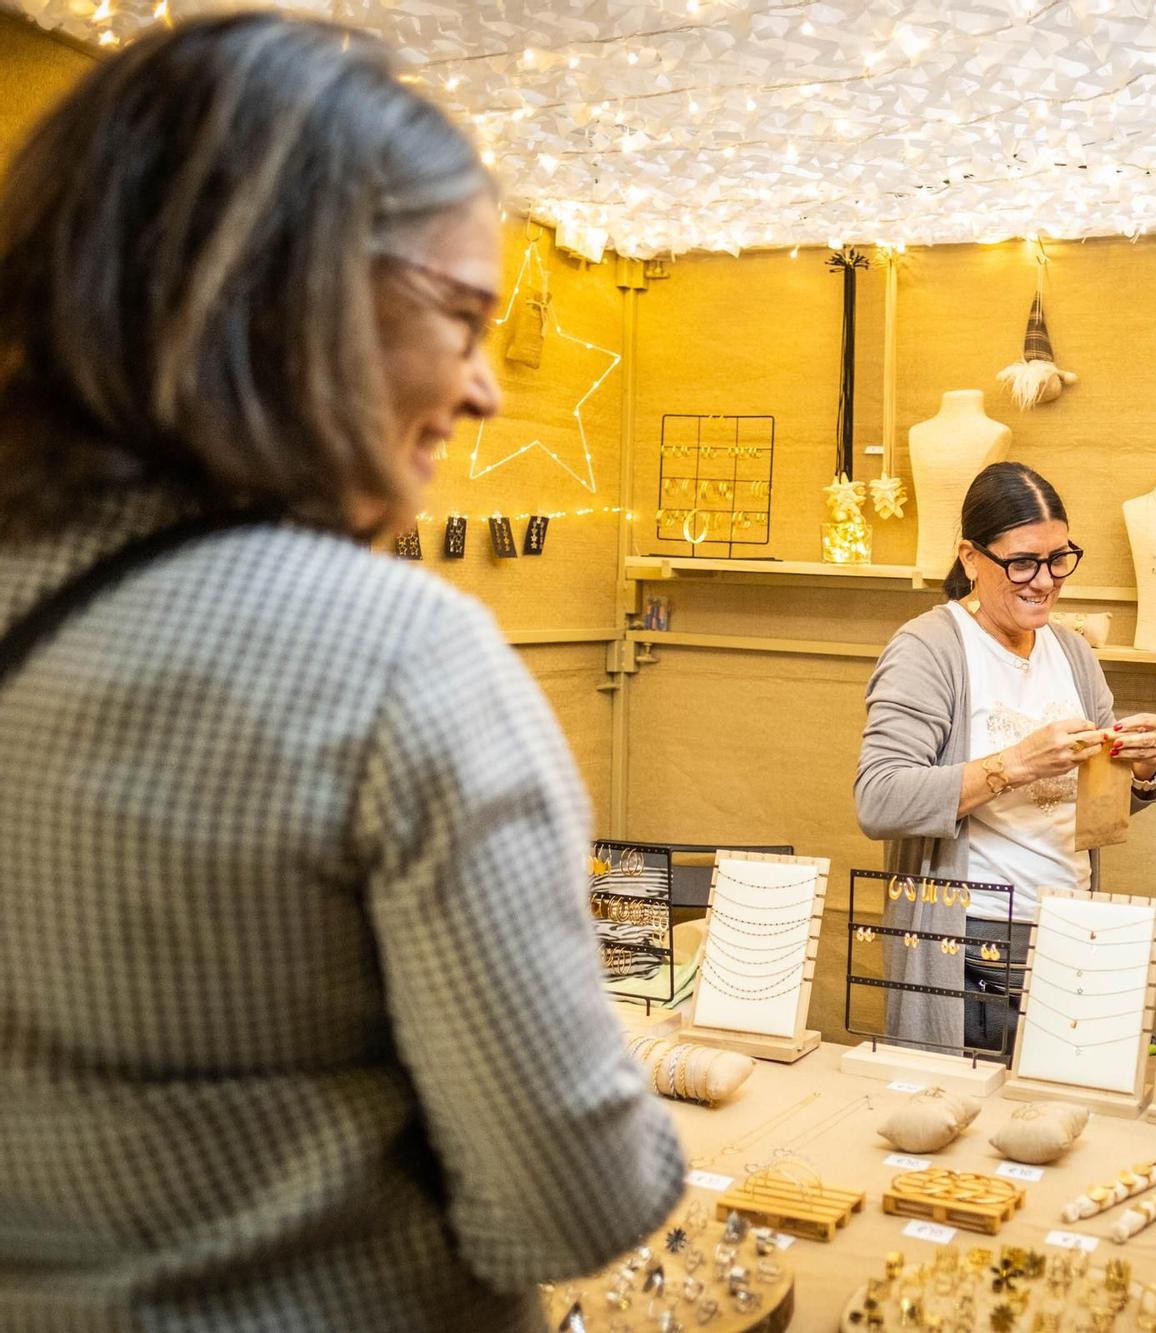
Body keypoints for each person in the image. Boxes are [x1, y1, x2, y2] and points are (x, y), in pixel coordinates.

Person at [0, 16, 682, 1331]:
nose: (486, 389)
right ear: (287, 288)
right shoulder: (396, 658)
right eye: (463, 315)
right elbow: (569, 1208)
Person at [856, 462, 1156, 1056]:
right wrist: (1018, 764)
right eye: (1022, 562)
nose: (1045, 581)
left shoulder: (1073, 651)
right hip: (973, 939)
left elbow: (1096, 803)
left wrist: (1142, 767)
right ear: (971, 558)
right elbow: (880, 799)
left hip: (1072, 928)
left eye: (1059, 558)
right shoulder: (930, 649)